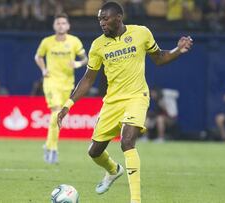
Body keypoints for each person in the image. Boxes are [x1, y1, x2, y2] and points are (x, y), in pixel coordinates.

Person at [57, 2, 193, 203]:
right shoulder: (98, 45)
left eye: (105, 18)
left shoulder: (141, 33)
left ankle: (135, 200)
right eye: (100, 19)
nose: (102, 23)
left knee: (127, 141)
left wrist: (178, 50)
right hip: (112, 102)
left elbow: (159, 58)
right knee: (94, 151)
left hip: (137, 96)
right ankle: (113, 170)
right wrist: (68, 105)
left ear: (118, 18)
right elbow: (87, 79)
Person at [34, 13, 88, 164]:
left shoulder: (74, 41)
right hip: (51, 81)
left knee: (60, 115)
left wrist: (77, 64)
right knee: (56, 111)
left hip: (67, 83)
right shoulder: (47, 42)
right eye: (58, 23)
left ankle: (48, 145)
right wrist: (43, 69)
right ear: (54, 26)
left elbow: (85, 59)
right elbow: (38, 57)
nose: (61, 26)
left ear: (68, 26)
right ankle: (53, 149)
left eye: (64, 23)